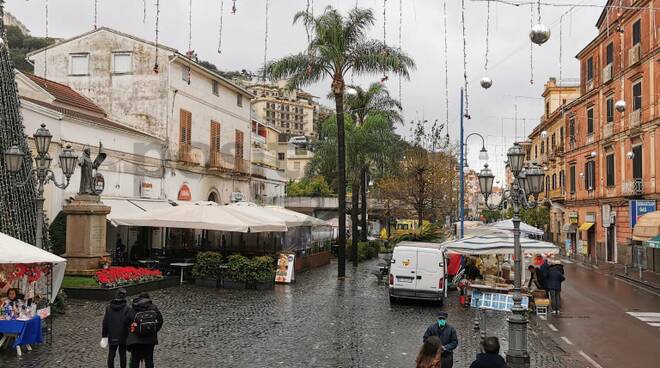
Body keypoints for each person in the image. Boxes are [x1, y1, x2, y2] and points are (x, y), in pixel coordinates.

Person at [125, 292, 163, 368]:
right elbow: (160, 321)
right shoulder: (153, 307)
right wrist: (154, 330)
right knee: (149, 360)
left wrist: (134, 329)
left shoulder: (133, 308)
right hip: (150, 339)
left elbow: (126, 322)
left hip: (136, 340)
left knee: (135, 360)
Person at [102, 289, 129, 368]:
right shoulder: (127, 308)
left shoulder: (108, 308)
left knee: (111, 354)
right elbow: (129, 323)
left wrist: (104, 336)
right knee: (123, 355)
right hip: (123, 336)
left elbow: (105, 323)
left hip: (112, 335)